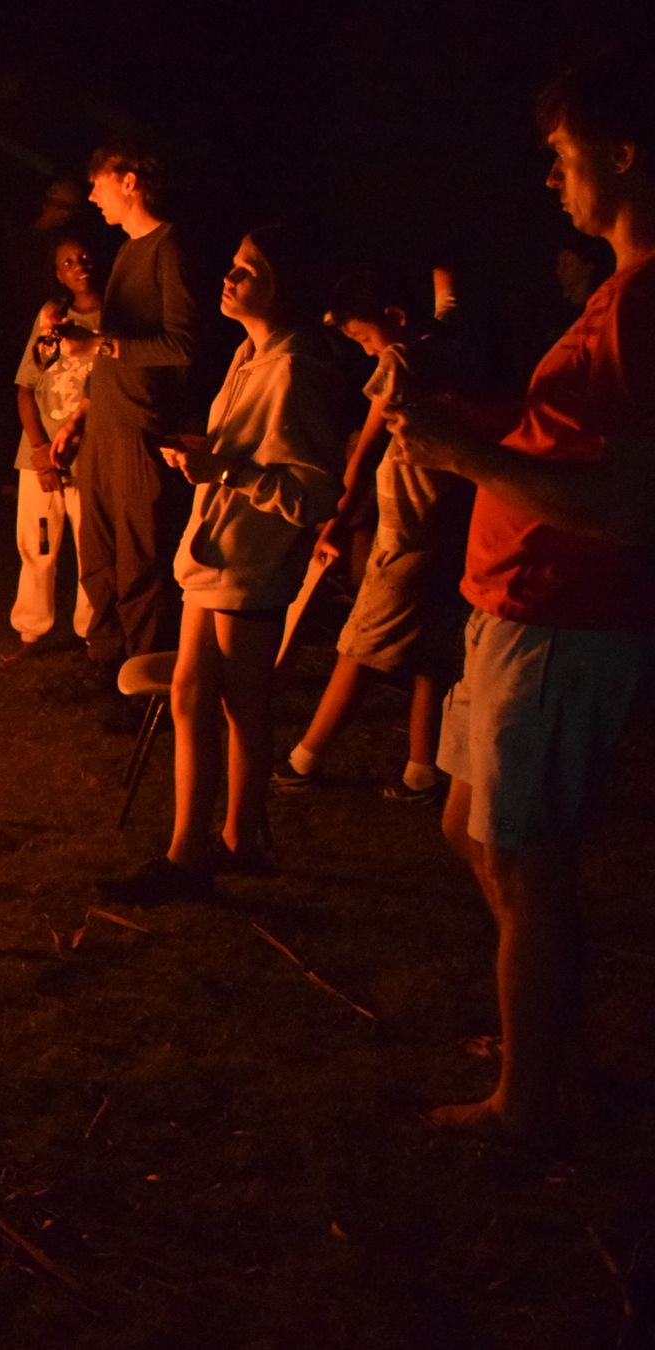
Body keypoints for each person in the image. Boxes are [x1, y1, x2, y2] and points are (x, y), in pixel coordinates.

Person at [385, 50, 655, 1145]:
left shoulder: (643, 304)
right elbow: (569, 436)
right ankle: (545, 1038)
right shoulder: (617, 294)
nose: (551, 179)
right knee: (472, 829)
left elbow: (629, 506)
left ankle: (529, 1105)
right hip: (513, 609)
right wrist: (469, 414)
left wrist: (460, 454)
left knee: (526, 863)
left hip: (560, 619)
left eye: (562, 155)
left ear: (624, 154)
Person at [101, 225, 342, 904]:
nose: (230, 277)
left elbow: (313, 493)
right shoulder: (248, 355)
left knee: (241, 704)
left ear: (283, 288)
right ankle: (213, 845)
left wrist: (226, 472)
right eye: (233, 264)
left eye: (248, 269)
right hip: (214, 554)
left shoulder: (294, 370)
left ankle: (220, 846)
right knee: (190, 695)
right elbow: (245, 449)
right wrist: (204, 453)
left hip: (248, 563)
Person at [272, 269, 479, 802]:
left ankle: (302, 761)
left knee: (359, 646)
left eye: (363, 337)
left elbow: (364, 453)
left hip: (405, 530)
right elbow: (449, 302)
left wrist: (334, 524)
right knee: (431, 649)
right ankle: (421, 771)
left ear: (396, 318)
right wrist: (443, 269)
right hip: (450, 527)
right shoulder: (450, 343)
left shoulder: (400, 361)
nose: (365, 350)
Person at [52, 143, 200, 672]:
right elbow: (111, 347)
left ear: (130, 182)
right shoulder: (126, 252)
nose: (93, 196)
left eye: (99, 183)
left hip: (142, 427)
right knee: (97, 557)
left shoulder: (170, 248)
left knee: (140, 561)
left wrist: (101, 345)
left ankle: (145, 675)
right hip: (104, 425)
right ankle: (105, 664)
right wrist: (81, 415)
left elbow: (181, 345)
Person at [8, 234, 103, 655]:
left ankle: (93, 631)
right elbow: (26, 386)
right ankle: (31, 629)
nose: (78, 266)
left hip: (92, 455)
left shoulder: (114, 320)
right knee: (37, 543)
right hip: (42, 453)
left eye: (84, 257)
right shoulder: (52, 317)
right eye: (67, 263)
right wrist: (39, 451)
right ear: (58, 275)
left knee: (91, 547)